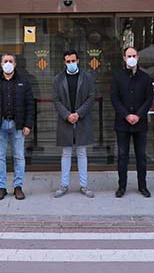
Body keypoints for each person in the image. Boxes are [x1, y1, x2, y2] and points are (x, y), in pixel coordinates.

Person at [0, 54, 35, 200]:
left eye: (10, 61)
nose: (8, 63)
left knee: (19, 157)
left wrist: (27, 124)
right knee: (0, 158)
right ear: (1, 64)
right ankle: (2, 187)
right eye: (5, 61)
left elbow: (30, 105)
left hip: (17, 125)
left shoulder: (23, 82)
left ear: (15, 64)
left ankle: (18, 187)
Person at [52, 49, 96, 198]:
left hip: (81, 119)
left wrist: (78, 114)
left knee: (82, 152)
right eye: (68, 61)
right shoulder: (58, 79)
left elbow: (91, 97)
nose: (70, 64)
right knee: (66, 153)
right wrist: (67, 115)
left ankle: (84, 185)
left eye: (73, 61)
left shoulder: (87, 77)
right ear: (64, 62)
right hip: (65, 120)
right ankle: (64, 185)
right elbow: (56, 100)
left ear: (78, 61)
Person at [110, 46, 153, 198]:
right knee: (123, 156)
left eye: (134, 55)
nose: (131, 58)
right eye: (129, 55)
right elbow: (114, 99)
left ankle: (143, 186)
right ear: (124, 58)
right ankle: (122, 186)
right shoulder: (117, 77)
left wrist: (138, 115)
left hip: (140, 124)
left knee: (141, 156)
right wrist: (127, 115)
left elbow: (149, 99)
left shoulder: (145, 77)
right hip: (122, 123)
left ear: (138, 57)